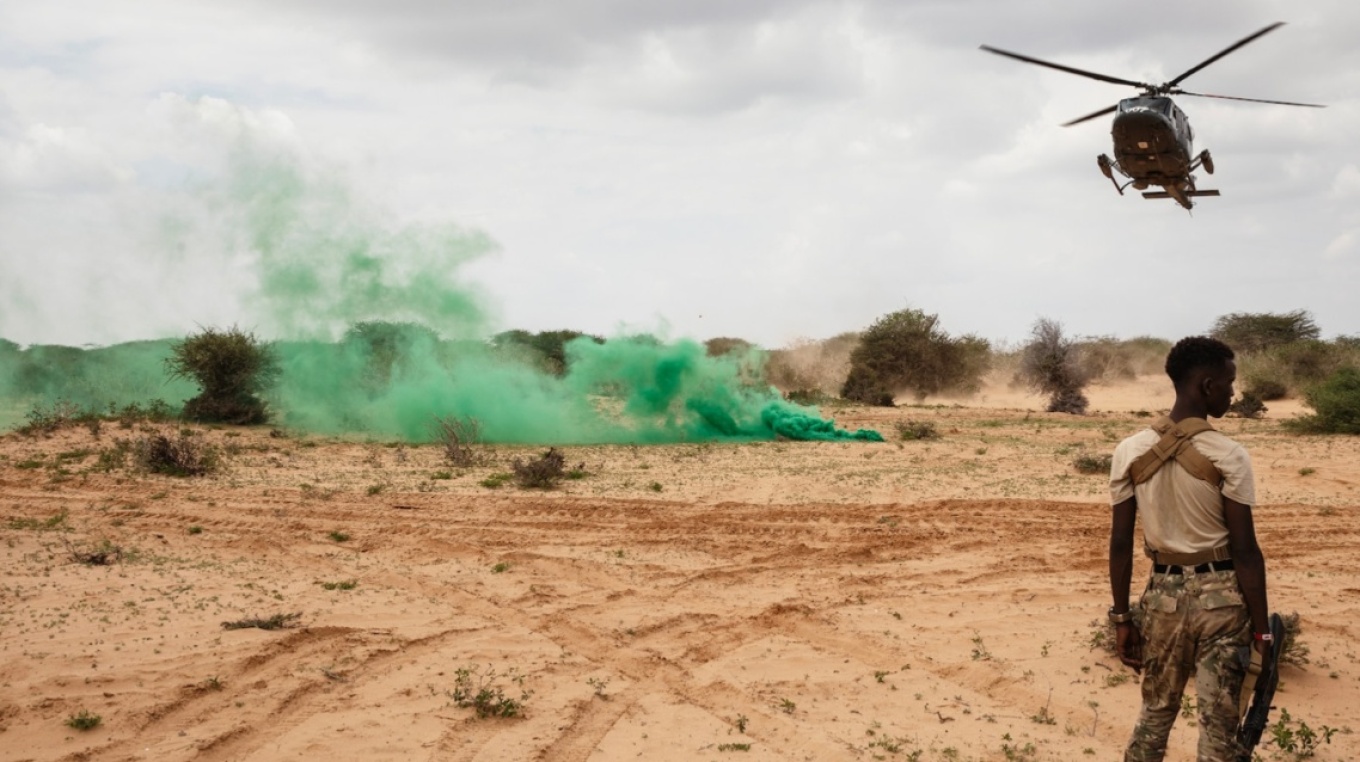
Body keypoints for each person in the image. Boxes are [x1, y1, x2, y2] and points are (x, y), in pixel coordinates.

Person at [1107, 336, 1270, 762]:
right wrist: (1262, 630)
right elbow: (1247, 551)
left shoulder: (1129, 450)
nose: (1233, 394)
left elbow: (1121, 543)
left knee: (1156, 713)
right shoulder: (1230, 455)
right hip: (1223, 602)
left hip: (1162, 598)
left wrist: (1122, 616)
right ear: (1207, 384)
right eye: (1230, 384)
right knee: (1219, 726)